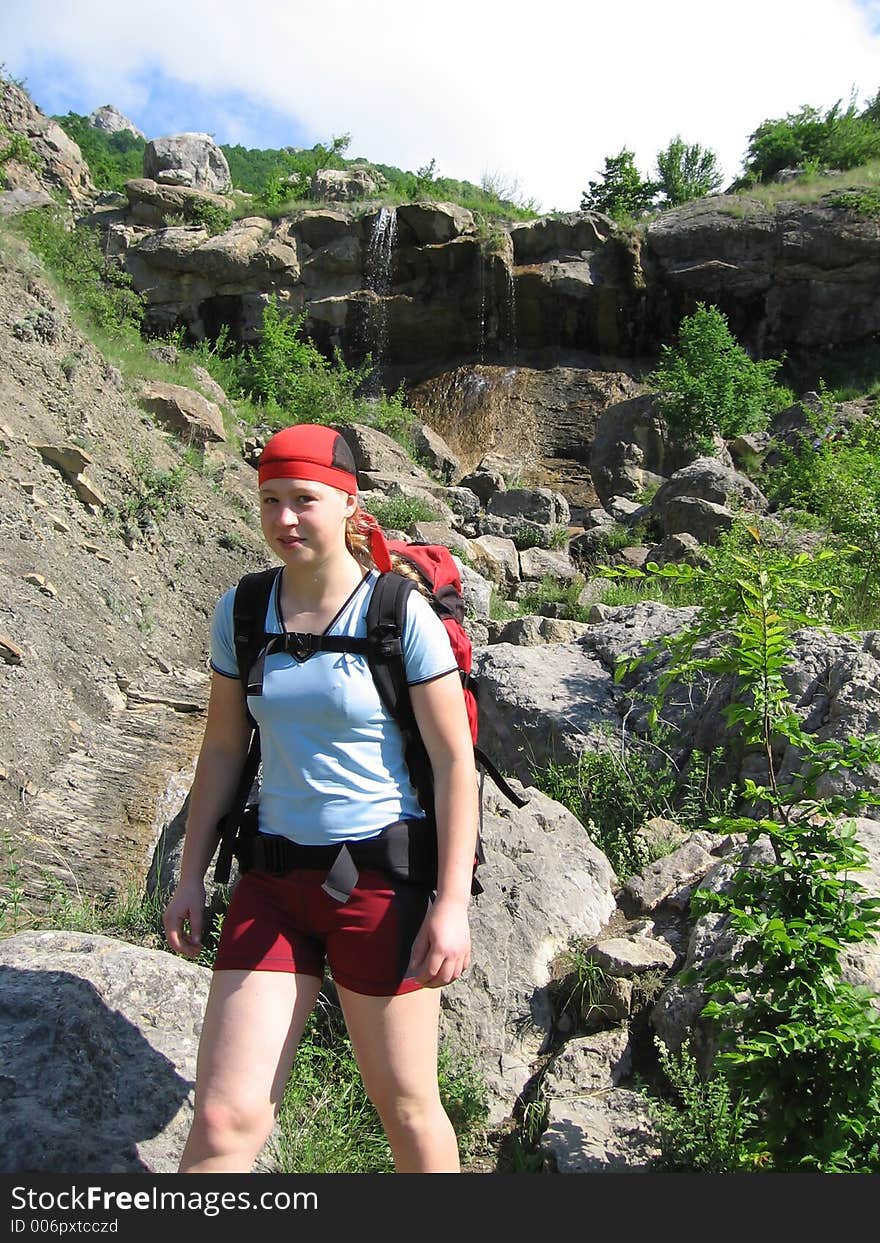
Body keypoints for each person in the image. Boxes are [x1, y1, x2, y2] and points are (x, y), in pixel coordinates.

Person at [162, 422, 479, 1174]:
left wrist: (451, 903)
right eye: (270, 500)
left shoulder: (399, 615)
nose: (284, 519)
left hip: (379, 884)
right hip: (272, 884)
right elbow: (221, 749)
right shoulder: (242, 612)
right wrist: (189, 877)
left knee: (405, 1108)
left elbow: (452, 762)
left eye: (304, 499)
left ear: (348, 504)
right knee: (221, 1115)